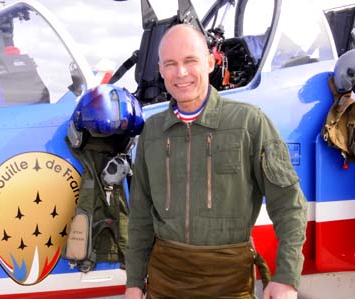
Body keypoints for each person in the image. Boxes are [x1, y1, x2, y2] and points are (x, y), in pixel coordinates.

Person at [124, 24, 308, 299]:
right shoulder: (152, 132)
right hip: (165, 283)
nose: (181, 73)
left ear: (210, 62)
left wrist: (286, 277)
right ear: (161, 70)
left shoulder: (249, 123)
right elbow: (140, 216)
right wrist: (135, 283)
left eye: (190, 61)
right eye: (171, 64)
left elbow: (289, 205)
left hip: (229, 284)